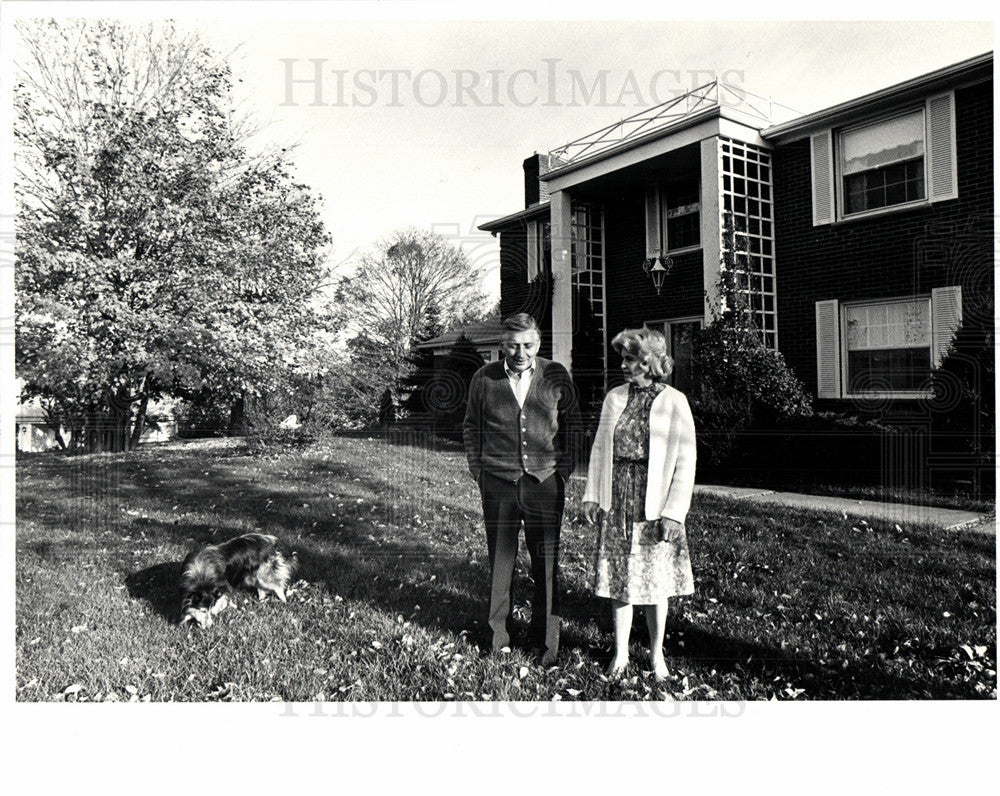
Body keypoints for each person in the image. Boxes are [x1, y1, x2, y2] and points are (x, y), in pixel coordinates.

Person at [463, 312, 581, 666]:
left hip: (545, 483)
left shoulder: (556, 374)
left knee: (545, 564)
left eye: (527, 345)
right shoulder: (484, 378)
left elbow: (575, 426)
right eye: (513, 345)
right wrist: (479, 471)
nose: (520, 352)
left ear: (538, 344)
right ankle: (497, 637)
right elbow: (471, 427)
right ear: (502, 344)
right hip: (498, 484)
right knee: (501, 563)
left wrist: (563, 474)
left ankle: (546, 644)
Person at [581, 327, 697, 680]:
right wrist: (591, 495)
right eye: (623, 358)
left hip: (655, 499)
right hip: (617, 499)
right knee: (620, 580)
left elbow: (686, 459)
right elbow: (601, 448)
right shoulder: (614, 397)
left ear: (648, 362)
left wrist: (674, 513)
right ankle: (620, 654)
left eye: (630, 358)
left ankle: (656, 654)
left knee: (654, 581)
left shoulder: (674, 400)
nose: (623, 364)